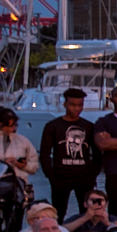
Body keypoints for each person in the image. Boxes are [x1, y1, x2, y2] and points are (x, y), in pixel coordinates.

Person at [39, 89, 100, 218]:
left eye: (80, 105)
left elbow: (97, 154)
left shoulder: (89, 126)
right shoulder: (53, 126)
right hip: (60, 176)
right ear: (65, 104)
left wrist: (92, 174)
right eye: (73, 104)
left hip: (84, 177)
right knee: (58, 213)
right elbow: (44, 153)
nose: (77, 108)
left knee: (87, 213)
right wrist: (50, 175)